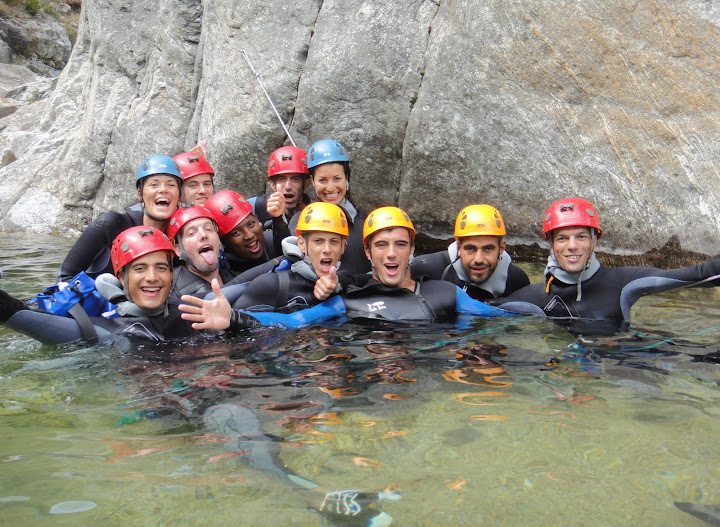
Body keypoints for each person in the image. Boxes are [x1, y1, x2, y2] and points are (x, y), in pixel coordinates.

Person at [179, 206, 515, 330]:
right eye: (381, 245)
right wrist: (234, 319)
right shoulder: (351, 300)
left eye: (400, 244)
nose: (391, 254)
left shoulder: (445, 293)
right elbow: (293, 321)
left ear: (413, 249)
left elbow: (504, 321)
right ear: (368, 253)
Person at [493, 197, 720, 333]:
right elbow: (476, 308)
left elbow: (698, 275)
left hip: (623, 360)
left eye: (581, 237)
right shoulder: (534, 297)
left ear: (595, 240)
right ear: (550, 245)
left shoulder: (624, 282)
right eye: (562, 238)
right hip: (562, 371)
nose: (572, 246)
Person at [2, 226, 195, 344]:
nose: (152, 277)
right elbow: (21, 315)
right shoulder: (105, 328)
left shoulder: (193, 314)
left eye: (161, 268)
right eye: (140, 269)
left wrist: (226, 319)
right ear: (121, 278)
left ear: (171, 274)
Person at [58, 155, 181, 281]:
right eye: (154, 184)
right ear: (140, 194)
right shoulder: (111, 225)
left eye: (170, 185)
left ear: (180, 195)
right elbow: (65, 278)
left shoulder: (185, 237)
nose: (163, 190)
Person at [230, 202, 356, 312]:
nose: (327, 249)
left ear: (342, 247)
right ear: (301, 244)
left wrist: (339, 284)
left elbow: (369, 280)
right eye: (318, 241)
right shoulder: (270, 285)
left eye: (334, 241)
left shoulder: (348, 280)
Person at [411, 204, 530, 300]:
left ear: (501, 248)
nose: (478, 259)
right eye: (470, 249)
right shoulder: (426, 269)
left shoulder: (517, 281)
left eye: (488, 249)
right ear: (458, 248)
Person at [289, 139, 371, 274]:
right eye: (323, 180)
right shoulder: (300, 221)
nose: (331, 187)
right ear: (313, 181)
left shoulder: (364, 220)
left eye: (337, 179)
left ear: (346, 177)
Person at [204, 190, 286, 274]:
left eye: (251, 224)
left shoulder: (273, 242)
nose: (249, 235)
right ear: (223, 242)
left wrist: (278, 220)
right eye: (236, 233)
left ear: (257, 220)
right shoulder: (223, 273)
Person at [165, 206, 235, 300]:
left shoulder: (231, 270)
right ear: (178, 250)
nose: (203, 235)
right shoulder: (177, 299)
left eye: (208, 229)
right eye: (192, 233)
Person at [251, 146, 311, 230]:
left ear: (306, 184)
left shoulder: (315, 213)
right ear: (272, 184)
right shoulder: (256, 207)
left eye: (295, 179)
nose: (288, 186)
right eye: (281, 179)